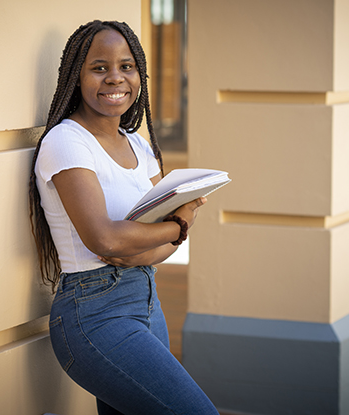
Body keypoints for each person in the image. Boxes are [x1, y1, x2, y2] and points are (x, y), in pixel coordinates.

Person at [28, 20, 218, 415]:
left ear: (140, 75)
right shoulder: (67, 141)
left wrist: (141, 249)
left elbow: (146, 246)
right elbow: (105, 240)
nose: (115, 78)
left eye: (127, 66)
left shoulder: (139, 146)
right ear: (76, 77)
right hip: (94, 315)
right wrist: (180, 225)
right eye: (99, 67)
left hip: (147, 301)